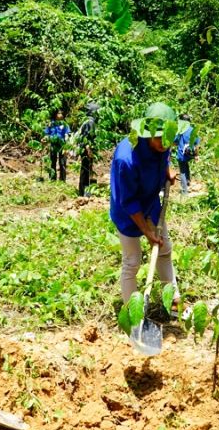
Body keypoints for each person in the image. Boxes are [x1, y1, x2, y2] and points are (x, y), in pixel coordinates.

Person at [110, 102, 185, 311]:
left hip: (151, 203)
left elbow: (163, 156)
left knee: (164, 249)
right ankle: (132, 313)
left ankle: (173, 301)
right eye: (158, 137)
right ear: (146, 132)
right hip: (128, 212)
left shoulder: (164, 142)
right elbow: (129, 201)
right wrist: (146, 231)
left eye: (167, 137)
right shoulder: (126, 158)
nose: (164, 142)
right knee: (132, 261)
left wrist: (166, 172)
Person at [76, 102, 99, 197]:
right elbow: (86, 137)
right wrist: (89, 150)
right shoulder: (90, 122)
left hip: (86, 149)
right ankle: (84, 191)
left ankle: (84, 190)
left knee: (86, 169)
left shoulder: (88, 120)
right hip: (86, 149)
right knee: (85, 170)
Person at [174, 114, 200, 195]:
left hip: (182, 154)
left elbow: (175, 141)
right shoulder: (193, 130)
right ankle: (188, 182)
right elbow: (197, 143)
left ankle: (184, 191)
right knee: (186, 165)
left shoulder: (180, 130)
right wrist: (196, 155)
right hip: (190, 153)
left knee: (182, 171)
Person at [44, 110, 70, 181]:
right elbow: (47, 133)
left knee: (62, 162)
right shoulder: (51, 123)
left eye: (61, 113)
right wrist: (45, 140)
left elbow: (67, 134)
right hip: (53, 144)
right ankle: (52, 178)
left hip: (62, 145)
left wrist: (67, 146)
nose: (60, 115)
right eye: (58, 113)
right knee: (53, 161)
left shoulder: (65, 124)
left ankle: (62, 179)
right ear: (55, 114)